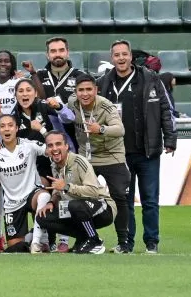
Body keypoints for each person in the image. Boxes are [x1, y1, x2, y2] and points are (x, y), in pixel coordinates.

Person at [97, 40, 175, 254]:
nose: (121, 58)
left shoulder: (150, 78)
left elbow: (165, 110)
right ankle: (126, 243)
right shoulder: (104, 82)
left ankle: (152, 242)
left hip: (147, 150)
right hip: (118, 153)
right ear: (112, 58)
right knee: (125, 201)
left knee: (150, 200)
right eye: (117, 55)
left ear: (131, 56)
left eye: (124, 54)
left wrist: (170, 139)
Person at [59, 74, 128, 252]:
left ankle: (124, 242)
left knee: (120, 196)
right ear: (76, 92)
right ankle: (85, 238)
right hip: (86, 156)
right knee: (77, 196)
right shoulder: (72, 102)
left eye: (89, 89)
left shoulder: (106, 106)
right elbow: (65, 117)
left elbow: (120, 129)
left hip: (111, 155)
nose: (85, 94)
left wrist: (101, 129)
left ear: (96, 90)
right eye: (81, 90)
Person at [0, 114, 52, 253]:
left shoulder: (29, 145)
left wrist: (42, 130)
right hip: (12, 204)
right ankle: (32, 237)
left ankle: (38, 242)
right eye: (2, 126)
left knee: (43, 196)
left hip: (32, 194)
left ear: (16, 128)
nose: (6, 129)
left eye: (10, 125)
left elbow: (52, 150)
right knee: (16, 248)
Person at [36, 131, 116, 254]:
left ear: (66, 146)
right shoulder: (54, 165)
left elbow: (93, 191)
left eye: (58, 144)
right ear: (47, 149)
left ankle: (94, 241)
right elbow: (59, 190)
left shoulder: (79, 161)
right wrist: (52, 202)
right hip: (76, 210)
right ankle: (85, 237)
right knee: (43, 218)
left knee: (74, 205)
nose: (55, 148)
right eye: (50, 145)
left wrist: (67, 187)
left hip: (103, 208)